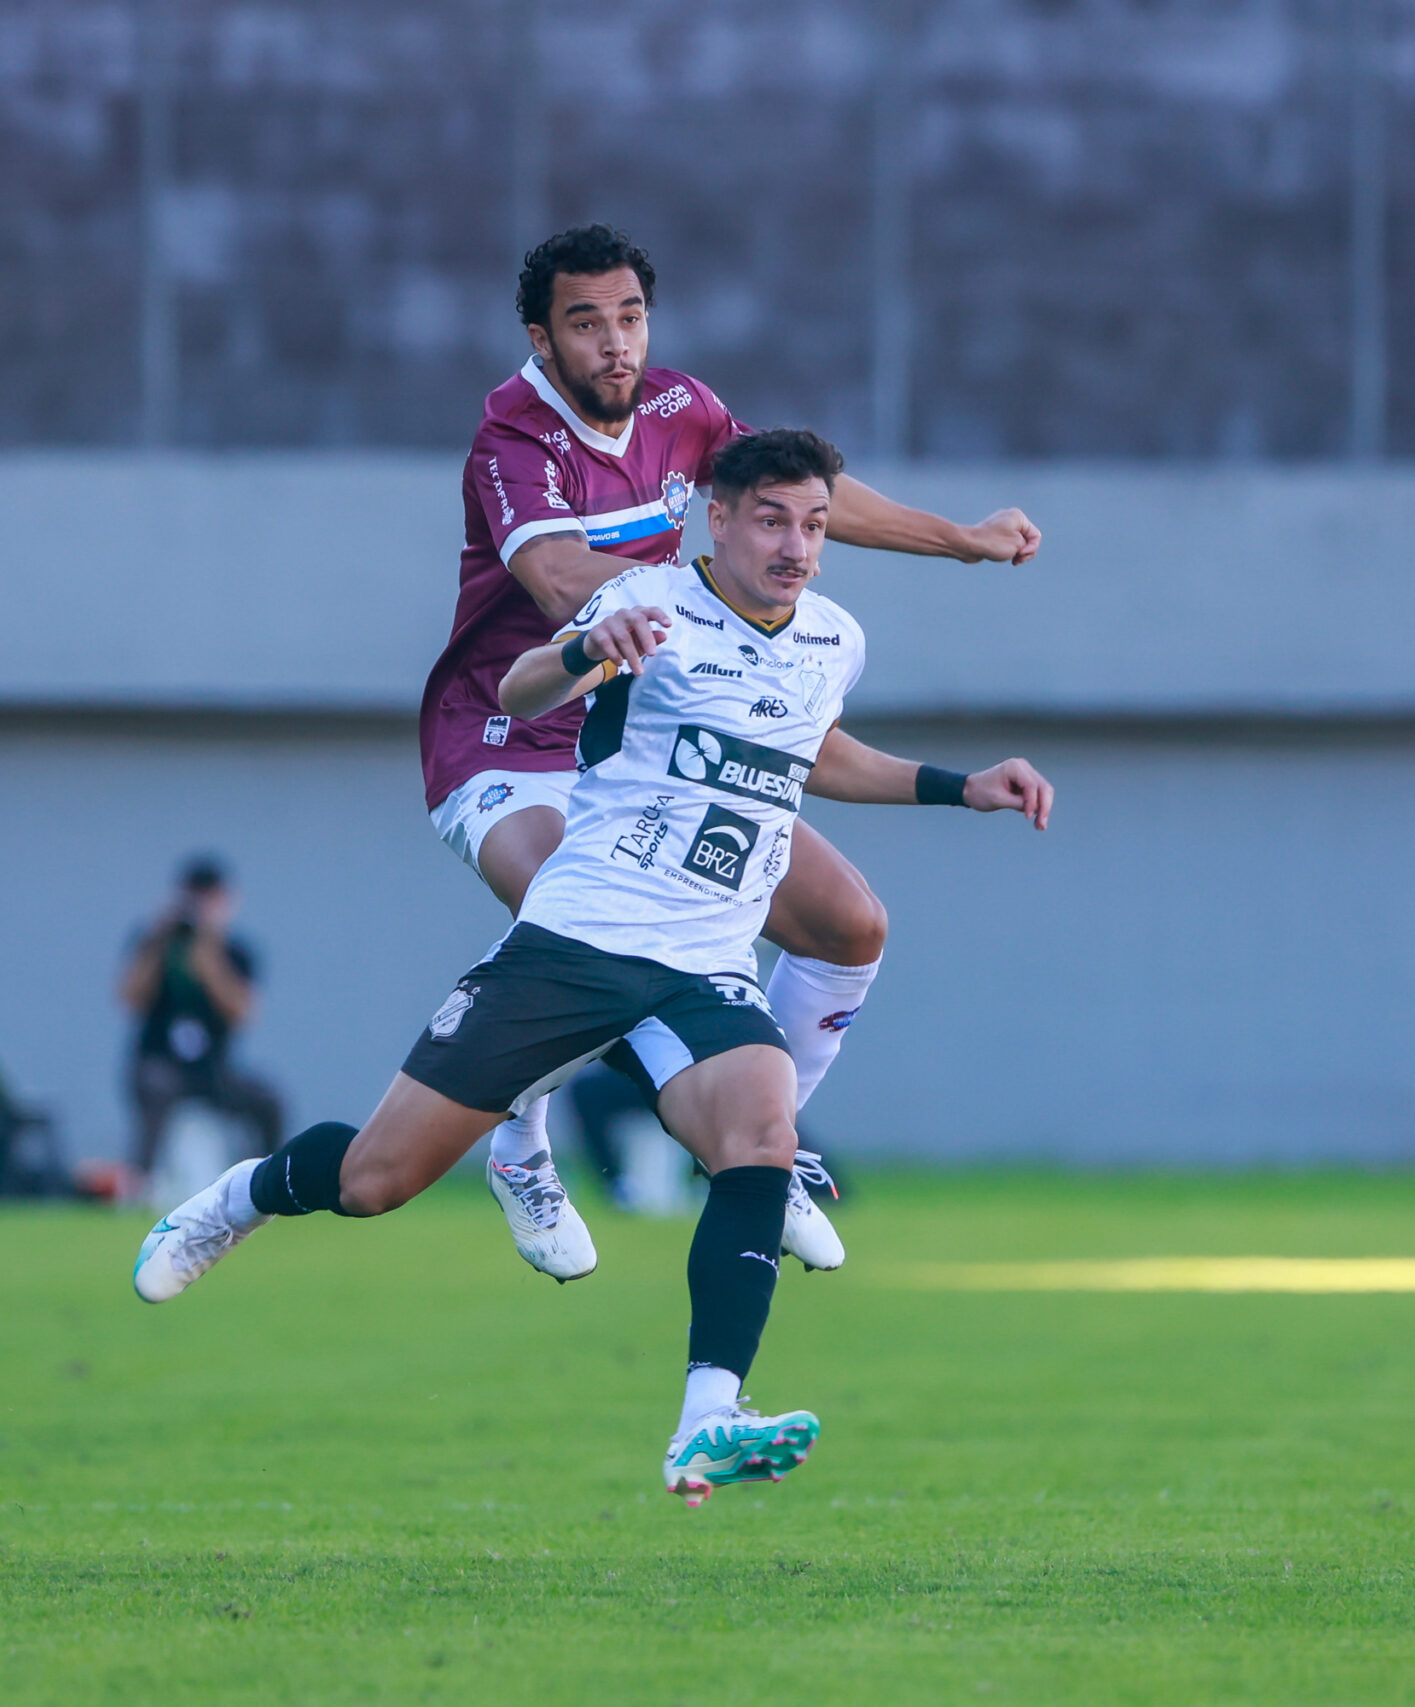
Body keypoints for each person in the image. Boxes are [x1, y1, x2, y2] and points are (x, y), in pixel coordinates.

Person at [136, 431, 1053, 1504]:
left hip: (707, 962)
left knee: (763, 1134)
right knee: (373, 1182)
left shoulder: (833, 638)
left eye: (812, 523)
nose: (796, 545)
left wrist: (960, 786)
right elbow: (522, 691)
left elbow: (813, 753)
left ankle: (709, 1418)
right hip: (575, 945)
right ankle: (237, 1199)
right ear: (717, 516)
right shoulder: (652, 599)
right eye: (770, 520)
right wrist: (586, 648)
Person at [426, 224, 1043, 1282]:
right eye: (585, 323)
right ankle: (520, 1142)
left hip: (656, 735)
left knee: (850, 925)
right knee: (579, 925)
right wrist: (698, 631)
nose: (615, 343)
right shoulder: (512, 444)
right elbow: (571, 587)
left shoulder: (682, 408)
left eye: (630, 316)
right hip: (513, 733)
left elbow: (799, 489)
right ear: (540, 336)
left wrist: (963, 539)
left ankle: (765, 1150)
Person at [118, 856, 284, 1180]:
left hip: (214, 1070)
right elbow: (130, 998)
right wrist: (159, 939)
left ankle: (267, 1180)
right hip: (159, 1062)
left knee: (268, 1100)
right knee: (154, 1091)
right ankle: (141, 1182)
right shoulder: (153, 943)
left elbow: (241, 1012)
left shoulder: (236, 951)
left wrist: (208, 947)